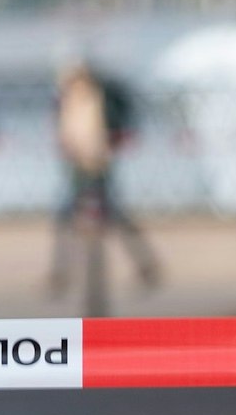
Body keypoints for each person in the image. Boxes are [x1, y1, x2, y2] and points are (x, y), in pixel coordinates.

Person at [50, 58, 160, 294]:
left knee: (88, 214)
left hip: (96, 164)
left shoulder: (92, 100)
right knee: (76, 216)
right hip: (78, 165)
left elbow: (96, 132)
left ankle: (62, 272)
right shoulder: (70, 100)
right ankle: (145, 263)